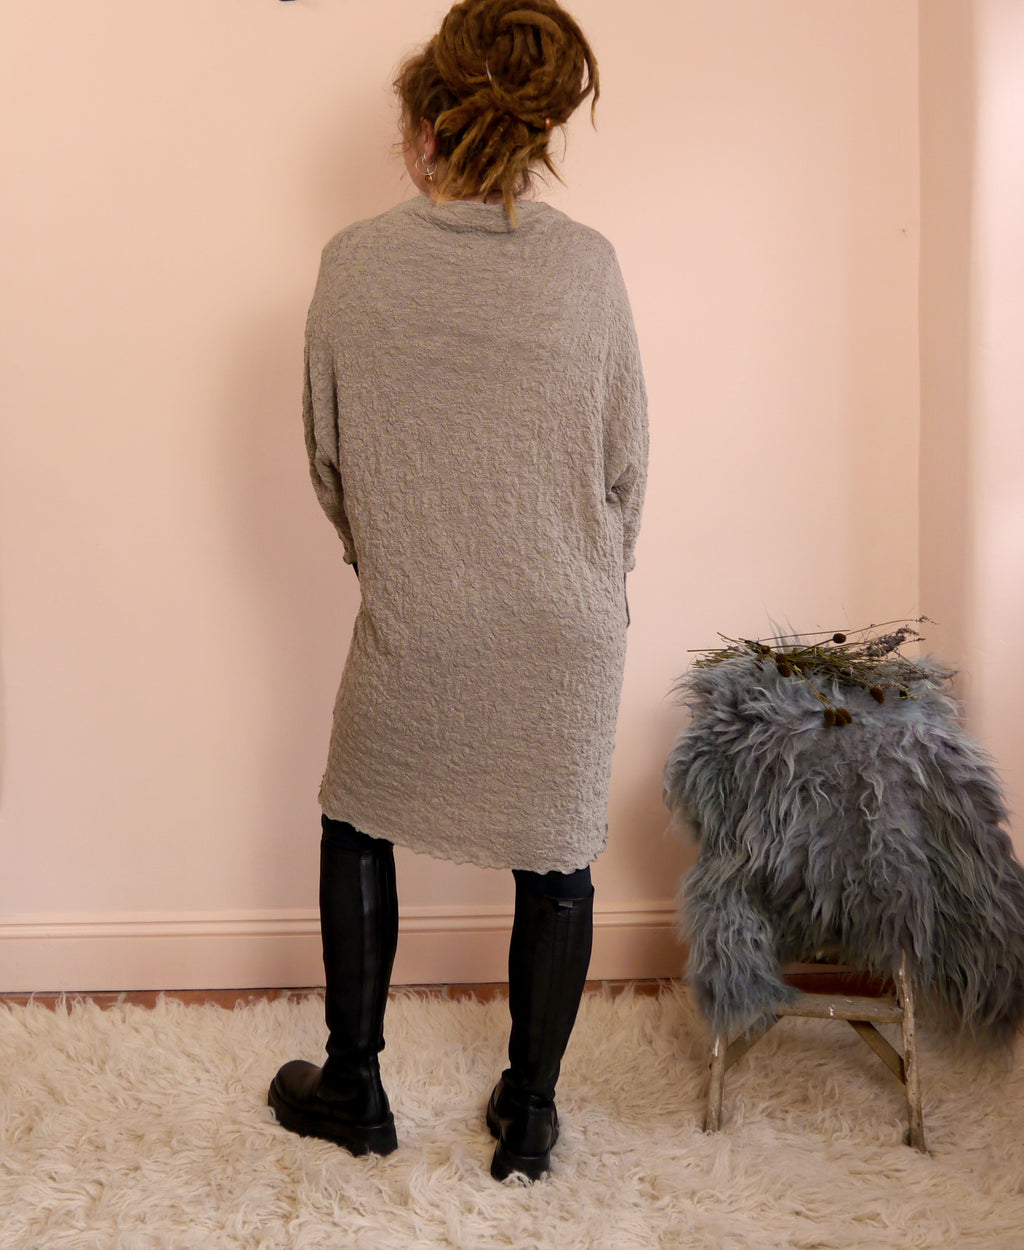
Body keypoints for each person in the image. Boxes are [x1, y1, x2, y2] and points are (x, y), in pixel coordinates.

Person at [268, 0, 648, 1182]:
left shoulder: (354, 265)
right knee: (560, 858)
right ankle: (529, 1110)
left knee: (354, 817)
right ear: (532, 135)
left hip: (420, 610)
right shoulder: (588, 268)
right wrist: (577, 576)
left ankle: (356, 1085)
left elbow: (331, 462)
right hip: (569, 619)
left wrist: (407, 564)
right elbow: (624, 462)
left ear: (424, 125)